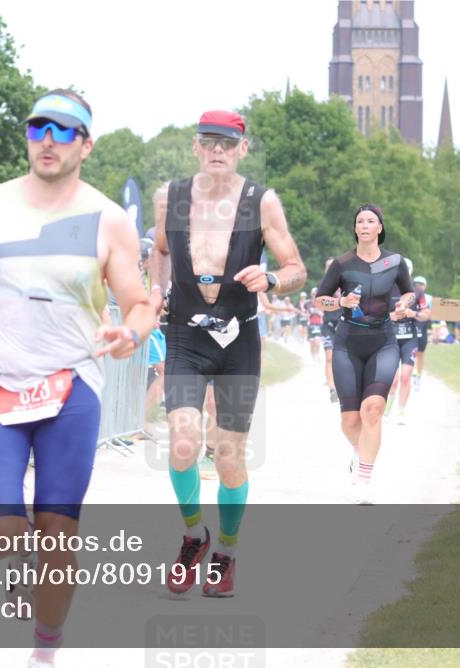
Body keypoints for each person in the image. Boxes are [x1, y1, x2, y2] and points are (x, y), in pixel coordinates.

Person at [0, 89, 161, 668]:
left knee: (57, 528)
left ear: (86, 144)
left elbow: (138, 302)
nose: (49, 139)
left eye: (64, 130)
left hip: (71, 386)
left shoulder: (108, 220)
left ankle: (45, 650)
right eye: (38, 127)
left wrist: (132, 331)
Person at [150, 109, 306, 597]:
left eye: (228, 142)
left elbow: (296, 267)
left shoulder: (262, 201)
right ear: (195, 146)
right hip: (184, 335)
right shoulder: (169, 198)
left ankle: (227, 553)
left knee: (231, 456)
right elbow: (158, 251)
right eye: (209, 141)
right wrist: (156, 293)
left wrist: (274, 278)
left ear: (242, 148)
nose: (218, 150)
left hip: (239, 339)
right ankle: (194, 535)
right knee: (181, 443)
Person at [315, 204, 415, 504]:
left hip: (383, 342)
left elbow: (408, 291)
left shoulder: (396, 262)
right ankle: (359, 454)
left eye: (371, 221)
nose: (365, 225)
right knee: (349, 421)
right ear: (355, 228)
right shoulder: (342, 264)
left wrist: (404, 303)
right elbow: (321, 300)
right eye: (360, 221)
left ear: (380, 228)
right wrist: (340, 302)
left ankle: (364, 480)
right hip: (347, 344)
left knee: (372, 410)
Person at [386, 259, 429, 424]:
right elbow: (375, 312)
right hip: (390, 338)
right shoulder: (386, 288)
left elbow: (426, 314)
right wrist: (390, 316)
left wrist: (414, 314)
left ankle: (401, 412)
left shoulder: (417, 291)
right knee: (393, 379)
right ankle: (388, 407)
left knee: (405, 377)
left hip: (410, 339)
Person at [321, 257, 342, 402]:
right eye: (328, 266)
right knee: (329, 357)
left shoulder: (346, 283)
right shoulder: (323, 285)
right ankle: (332, 389)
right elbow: (320, 304)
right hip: (328, 325)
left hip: (344, 325)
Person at [411, 276, 432, 390]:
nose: (419, 286)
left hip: (422, 329)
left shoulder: (429, 298)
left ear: (425, 286)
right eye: (417, 284)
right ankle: (410, 375)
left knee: (420, 354)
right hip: (411, 329)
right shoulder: (410, 296)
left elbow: (435, 313)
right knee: (409, 354)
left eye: (421, 284)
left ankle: (418, 376)